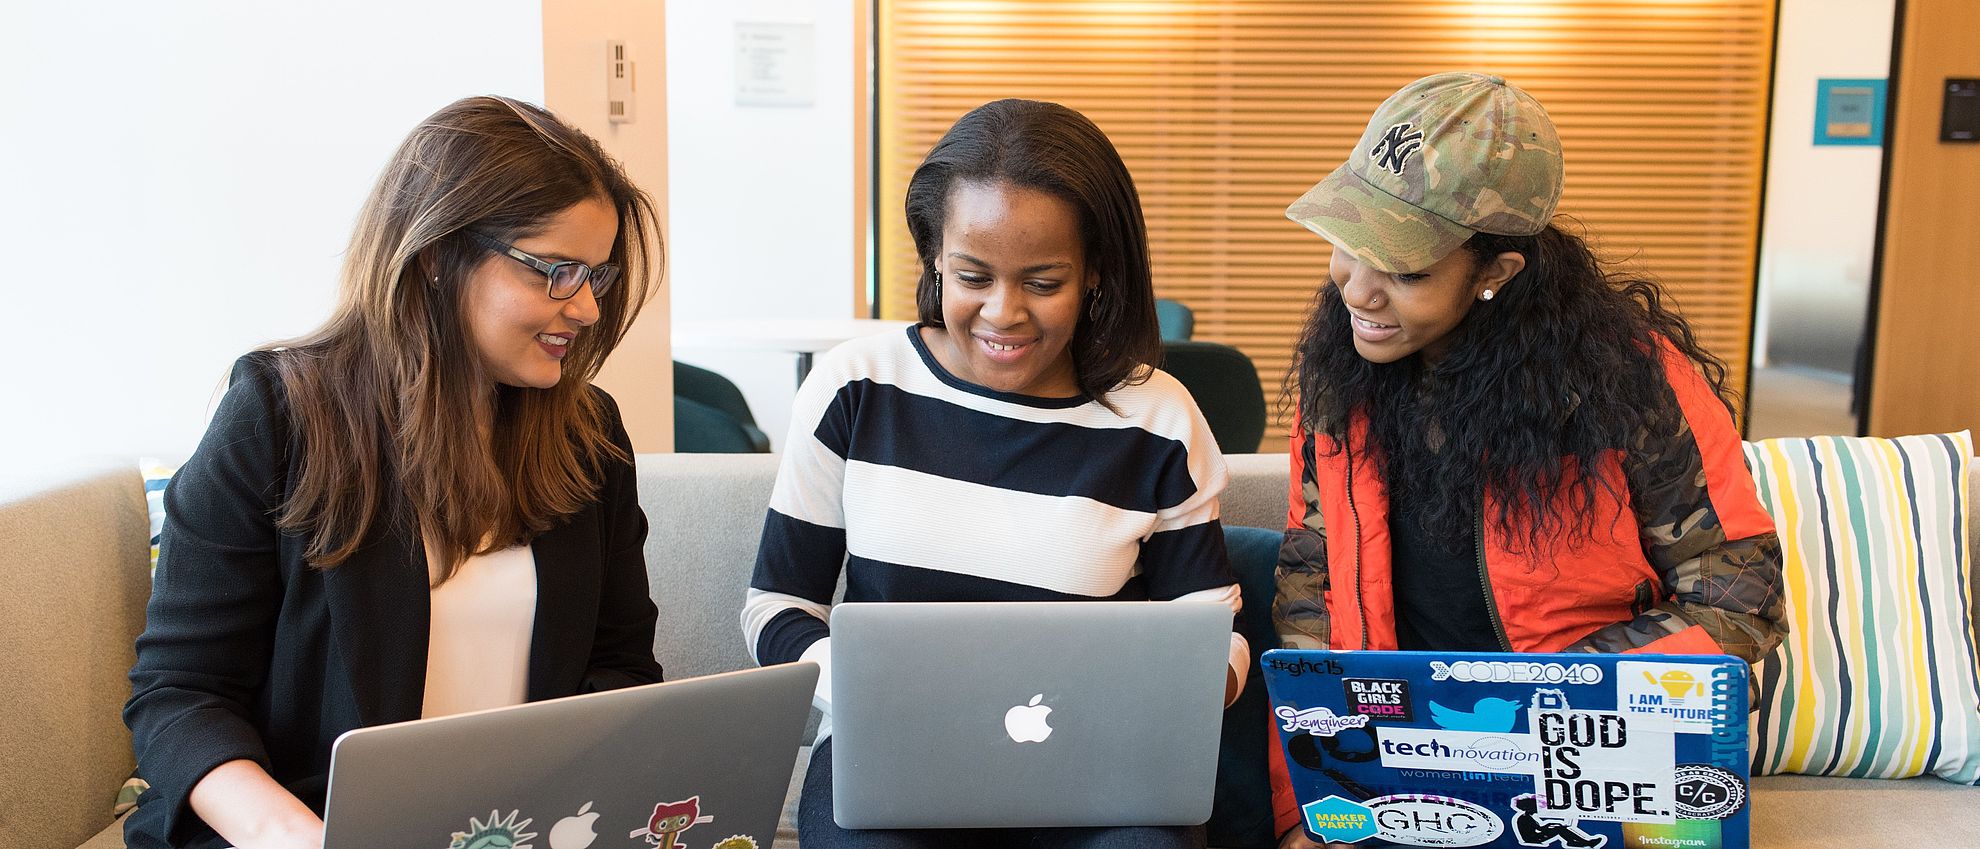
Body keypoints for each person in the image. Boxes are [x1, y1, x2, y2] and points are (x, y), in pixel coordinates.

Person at [123, 95, 665, 849]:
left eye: (596, 278)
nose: (585, 310)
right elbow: (180, 695)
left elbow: (621, 669)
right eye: (557, 271)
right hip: (304, 828)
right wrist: (299, 837)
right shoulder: (278, 414)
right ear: (437, 253)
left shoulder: (588, 435)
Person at [1265, 73, 1787, 847]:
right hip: (1398, 766)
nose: (1359, 291)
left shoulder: (1636, 384)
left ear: (1496, 273)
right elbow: (1313, 590)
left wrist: (1548, 697)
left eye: (1404, 270)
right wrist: (1305, 806)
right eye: (1349, 245)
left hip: (1594, 761)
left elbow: (1740, 596)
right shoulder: (1342, 379)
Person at [742, 98, 1247, 849]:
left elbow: (1219, 632)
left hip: (1098, 776)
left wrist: (1181, 693)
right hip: (889, 762)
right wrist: (853, 687)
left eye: (1043, 282)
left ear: (1097, 274)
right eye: (973, 274)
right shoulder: (856, 387)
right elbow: (776, 606)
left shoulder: (1156, 420)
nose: (1002, 313)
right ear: (933, 257)